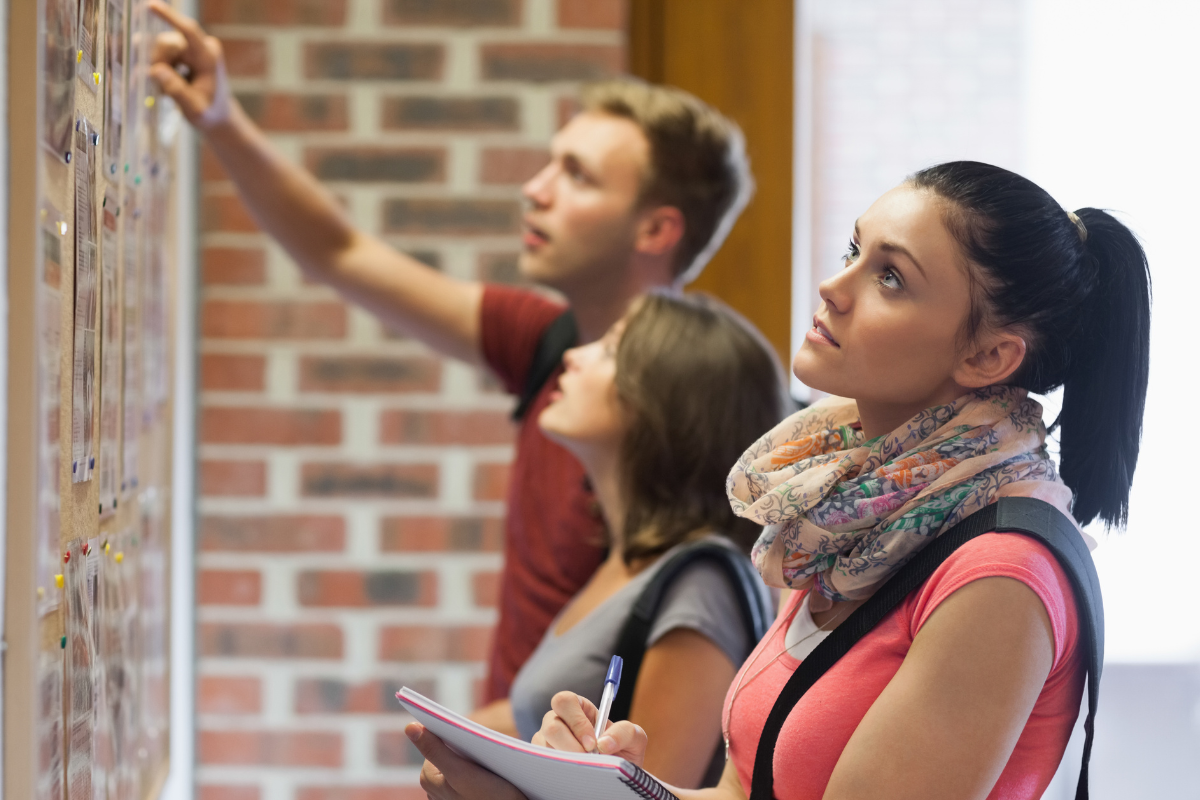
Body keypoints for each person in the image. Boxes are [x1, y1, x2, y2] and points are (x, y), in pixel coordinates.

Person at [405, 161, 1151, 800]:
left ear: (990, 358)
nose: (834, 285)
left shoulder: (1001, 574)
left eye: (890, 277)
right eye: (854, 250)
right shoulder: (855, 518)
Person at [145, 2, 754, 707]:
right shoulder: (545, 339)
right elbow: (341, 251)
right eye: (549, 164)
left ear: (656, 228)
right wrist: (221, 119)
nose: (535, 189)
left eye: (577, 176)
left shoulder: (695, 423)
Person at [494, 291, 785, 788]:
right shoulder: (622, 563)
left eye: (608, 351)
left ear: (664, 403)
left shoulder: (700, 584)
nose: (571, 355)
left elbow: (653, 787)